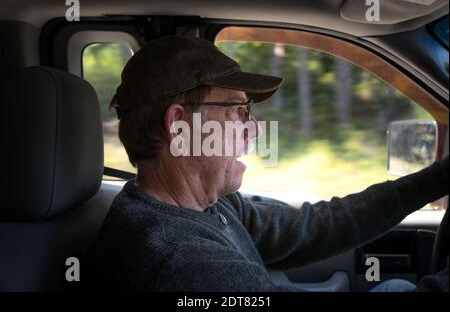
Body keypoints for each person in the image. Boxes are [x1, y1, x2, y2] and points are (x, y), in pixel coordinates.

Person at [84, 36, 449, 292]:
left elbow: (315, 226)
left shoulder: (211, 206)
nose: (255, 128)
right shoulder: (176, 260)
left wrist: (437, 179)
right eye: (239, 111)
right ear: (180, 125)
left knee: (397, 285)